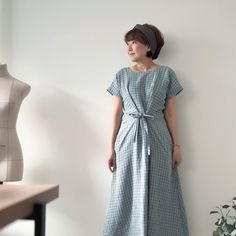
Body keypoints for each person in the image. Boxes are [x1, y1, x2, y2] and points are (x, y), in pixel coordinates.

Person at [103, 23, 189, 236]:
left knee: (161, 190)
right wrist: (110, 148)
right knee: (125, 190)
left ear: (149, 46)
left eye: (134, 42)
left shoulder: (166, 74)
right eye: (127, 43)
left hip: (158, 138)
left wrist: (177, 146)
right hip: (128, 139)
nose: (129, 48)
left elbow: (170, 113)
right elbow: (116, 113)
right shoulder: (121, 75)